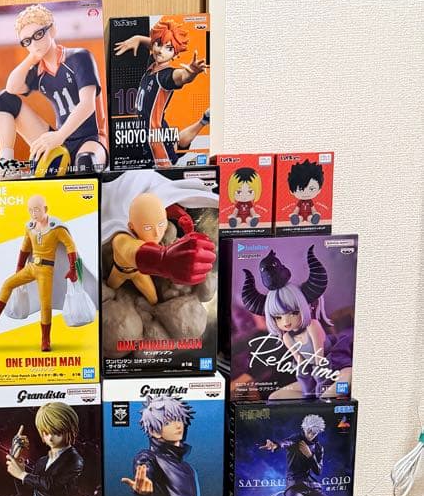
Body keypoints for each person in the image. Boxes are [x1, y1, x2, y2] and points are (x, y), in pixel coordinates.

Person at [0, 3, 107, 177]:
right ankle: (7, 164)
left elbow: (87, 105)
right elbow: (11, 87)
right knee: (3, 99)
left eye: (38, 34)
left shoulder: (79, 57)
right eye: (27, 41)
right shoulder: (39, 71)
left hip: (90, 138)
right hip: (60, 141)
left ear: (52, 30)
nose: (34, 43)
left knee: (86, 162)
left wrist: (59, 136)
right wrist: (33, 56)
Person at [241, 245, 351, 398]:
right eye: (278, 317)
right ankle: (317, 400)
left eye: (293, 313)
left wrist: (319, 382)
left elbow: (319, 357)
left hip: (334, 366)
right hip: (311, 376)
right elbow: (300, 361)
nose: (286, 321)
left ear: (304, 308)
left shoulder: (312, 325)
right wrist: (307, 384)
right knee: (274, 397)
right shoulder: (287, 337)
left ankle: (325, 401)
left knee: (341, 383)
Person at [0, 194, 80, 352]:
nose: (33, 213)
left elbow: (71, 246)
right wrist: (19, 267)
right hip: (31, 267)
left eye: (36, 209)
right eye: (30, 210)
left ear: (45, 209)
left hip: (45, 270)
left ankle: (45, 340)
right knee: (7, 284)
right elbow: (25, 248)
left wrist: (73, 269)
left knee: (45, 305)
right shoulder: (30, 227)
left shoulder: (56, 228)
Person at [121, 395, 216, 496]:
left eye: (179, 419)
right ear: (154, 431)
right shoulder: (149, 457)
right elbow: (144, 467)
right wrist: (143, 487)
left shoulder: (187, 468)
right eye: (168, 422)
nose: (178, 425)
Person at [113, 17, 208, 166]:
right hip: (150, 130)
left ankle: (203, 122)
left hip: (156, 136)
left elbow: (182, 76)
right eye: (158, 44)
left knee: (166, 167)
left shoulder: (166, 75)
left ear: (176, 54)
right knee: (175, 146)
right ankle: (203, 121)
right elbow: (154, 45)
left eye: (169, 48)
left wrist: (192, 73)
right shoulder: (153, 64)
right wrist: (139, 39)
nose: (161, 51)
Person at [106, 191, 215, 306]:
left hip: (140, 272)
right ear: (131, 227)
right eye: (148, 228)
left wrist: (183, 219)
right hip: (120, 272)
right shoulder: (120, 238)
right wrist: (163, 259)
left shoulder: (150, 226)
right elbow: (131, 250)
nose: (157, 233)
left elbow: (162, 212)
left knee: (153, 299)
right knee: (110, 288)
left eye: (161, 224)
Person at [5, 402, 84, 496]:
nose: (51, 438)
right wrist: (18, 464)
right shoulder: (42, 461)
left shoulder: (74, 459)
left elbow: (51, 485)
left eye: (57, 432)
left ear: (70, 430)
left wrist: (22, 474)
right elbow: (29, 492)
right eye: (46, 433)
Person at [286, 159, 325, 226]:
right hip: (300, 215)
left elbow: (313, 209)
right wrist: (294, 214)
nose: (306, 193)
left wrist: (315, 213)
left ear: (319, 190)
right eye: (300, 189)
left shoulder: (310, 201)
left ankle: (313, 219)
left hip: (309, 215)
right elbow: (297, 209)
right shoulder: (300, 202)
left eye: (311, 189)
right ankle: (296, 220)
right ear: (291, 191)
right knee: (300, 218)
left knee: (310, 218)